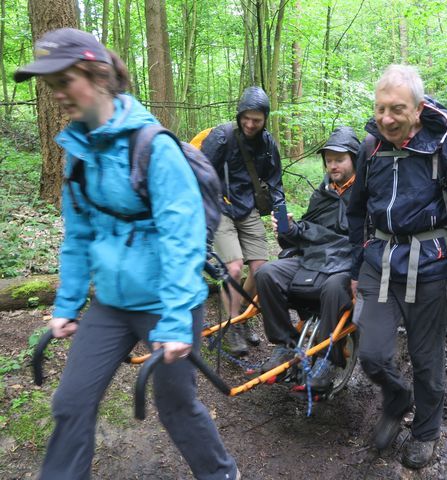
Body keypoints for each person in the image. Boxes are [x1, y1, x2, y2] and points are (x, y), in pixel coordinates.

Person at [14, 28, 238, 480]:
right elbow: (78, 238)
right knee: (71, 402)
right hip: (112, 304)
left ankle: (221, 474)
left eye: (63, 81)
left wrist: (175, 323)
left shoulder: (153, 147)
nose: (56, 95)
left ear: (97, 75)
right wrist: (68, 304)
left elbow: (183, 241)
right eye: (51, 86)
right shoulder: (79, 152)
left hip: (167, 303)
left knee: (176, 407)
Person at [347, 65, 447, 469]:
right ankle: (398, 398)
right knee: (373, 354)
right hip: (379, 264)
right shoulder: (371, 148)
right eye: (380, 109)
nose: (386, 119)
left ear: (418, 110)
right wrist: (352, 267)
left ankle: (426, 432)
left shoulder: (445, 148)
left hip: (431, 269)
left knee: (426, 358)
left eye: (397, 109)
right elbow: (355, 210)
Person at [255, 127, 360, 391]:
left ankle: (328, 360)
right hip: (312, 258)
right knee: (266, 273)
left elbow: (369, 240)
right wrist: (289, 229)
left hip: (345, 264)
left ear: (354, 160)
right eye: (329, 159)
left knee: (336, 286)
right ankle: (285, 345)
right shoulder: (322, 194)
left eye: (340, 159)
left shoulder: (366, 195)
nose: (333, 165)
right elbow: (305, 233)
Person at [200, 86, 285, 356]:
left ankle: (244, 317)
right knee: (234, 268)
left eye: (256, 120)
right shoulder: (222, 137)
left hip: (247, 209)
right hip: (220, 208)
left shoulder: (268, 143)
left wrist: (283, 225)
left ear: (265, 119)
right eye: (246, 118)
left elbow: (275, 183)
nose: (250, 124)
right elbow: (200, 174)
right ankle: (231, 324)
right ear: (239, 115)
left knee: (262, 271)